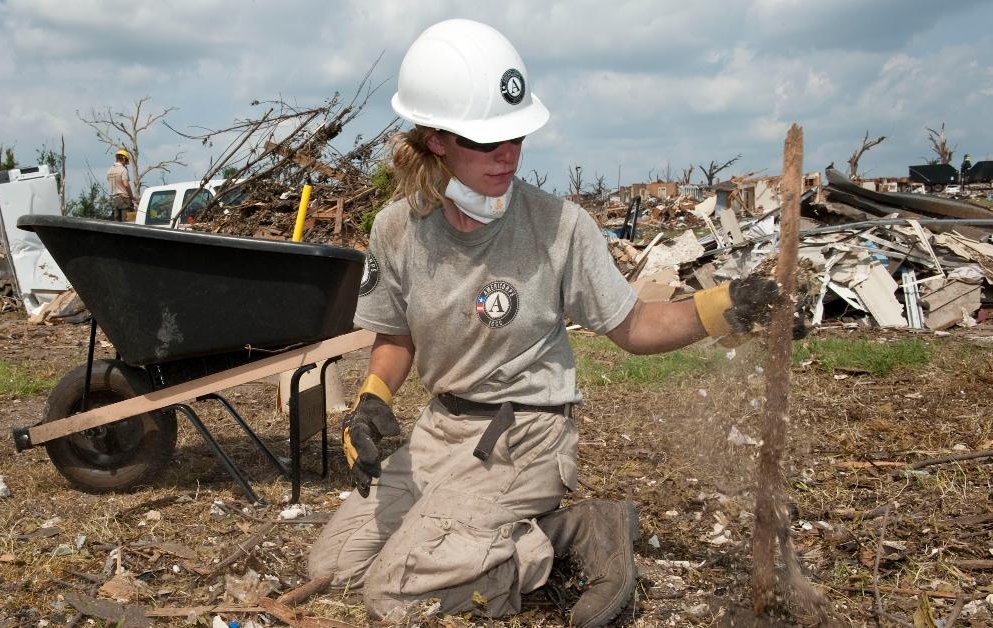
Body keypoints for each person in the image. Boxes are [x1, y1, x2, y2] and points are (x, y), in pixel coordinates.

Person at [307, 19, 797, 626]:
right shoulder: (397, 229)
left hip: (523, 435)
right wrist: (374, 397)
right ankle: (544, 529)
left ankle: (563, 541)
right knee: (333, 570)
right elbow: (396, 335)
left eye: (516, 137)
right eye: (488, 143)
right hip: (440, 432)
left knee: (395, 596)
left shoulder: (559, 229)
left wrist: (727, 306)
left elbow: (635, 325)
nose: (508, 156)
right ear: (436, 140)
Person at [107, 149, 134, 221]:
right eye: (126, 161)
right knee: (127, 223)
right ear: (124, 159)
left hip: (115, 200)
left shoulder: (110, 170)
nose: (126, 163)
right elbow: (126, 185)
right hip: (124, 199)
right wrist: (131, 197)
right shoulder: (123, 170)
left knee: (117, 223)